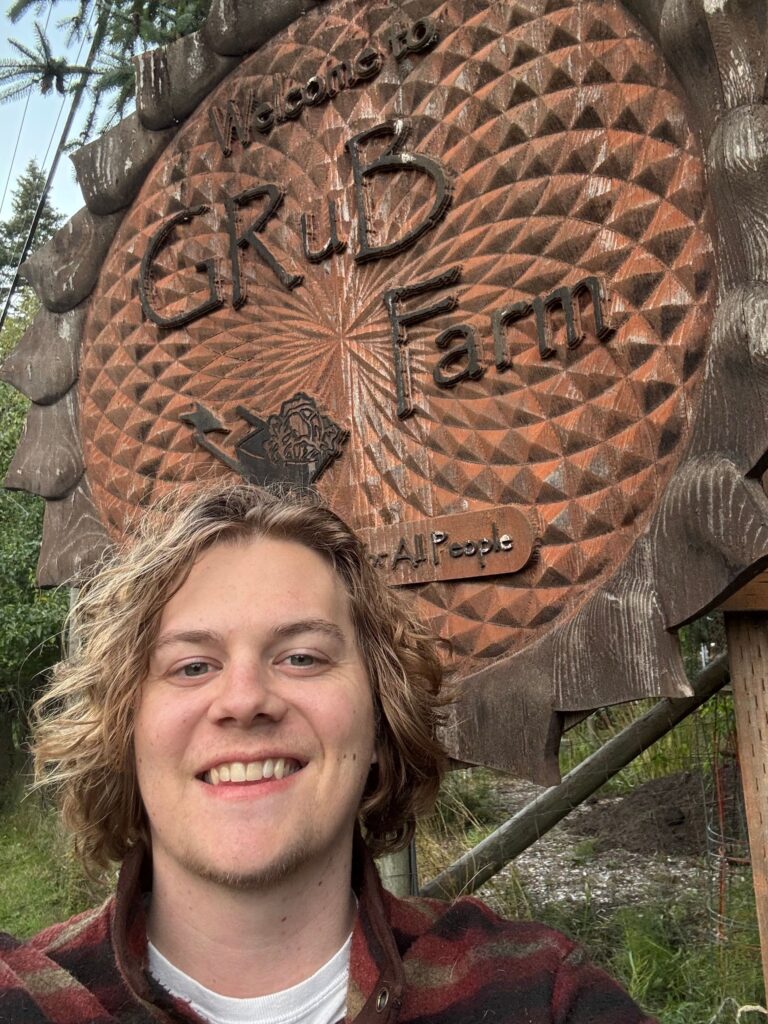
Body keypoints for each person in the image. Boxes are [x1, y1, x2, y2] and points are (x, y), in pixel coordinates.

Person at [0, 483, 655, 1024]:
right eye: (193, 665)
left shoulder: (534, 996)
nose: (245, 698)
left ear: (378, 717)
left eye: (303, 657)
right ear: (127, 728)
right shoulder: (26, 999)